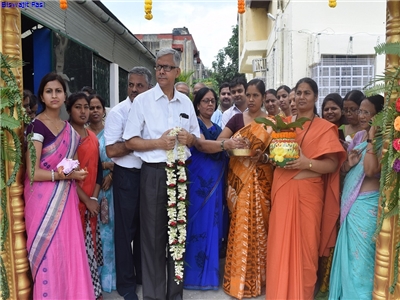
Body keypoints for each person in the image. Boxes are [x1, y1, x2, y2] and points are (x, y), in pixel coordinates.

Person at [123, 48, 200, 300]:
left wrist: (189, 139)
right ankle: (154, 297)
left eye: (166, 67)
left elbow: (195, 138)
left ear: (177, 72)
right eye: (158, 67)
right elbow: (130, 141)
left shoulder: (186, 102)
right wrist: (157, 143)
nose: (161, 71)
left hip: (180, 173)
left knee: (177, 238)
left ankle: (174, 295)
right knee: (152, 240)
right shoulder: (143, 101)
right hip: (154, 175)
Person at [266, 77, 346, 300]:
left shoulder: (324, 128)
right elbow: (276, 154)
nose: (301, 97)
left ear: (315, 97)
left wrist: (305, 163)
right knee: (279, 248)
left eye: (306, 93)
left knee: (306, 251)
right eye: (298, 93)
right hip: (283, 191)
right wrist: (275, 158)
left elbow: (332, 164)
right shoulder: (283, 124)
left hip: (308, 195)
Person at [24, 72, 94, 299]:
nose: (54, 95)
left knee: (68, 252)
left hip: (66, 201)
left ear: (65, 96)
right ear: (42, 97)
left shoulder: (70, 131)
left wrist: (76, 174)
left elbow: (70, 166)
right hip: (42, 202)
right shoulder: (36, 127)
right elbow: (32, 172)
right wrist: (62, 176)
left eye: (58, 91)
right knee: (49, 254)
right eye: (48, 91)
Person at [218, 78, 274, 299]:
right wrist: (232, 143)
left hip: (262, 181)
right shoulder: (236, 119)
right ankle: (238, 280)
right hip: (239, 182)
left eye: (255, 96)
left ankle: (260, 279)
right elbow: (221, 141)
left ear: (262, 97)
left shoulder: (271, 122)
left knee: (262, 228)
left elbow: (278, 154)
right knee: (240, 227)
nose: (250, 99)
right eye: (248, 95)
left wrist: (265, 157)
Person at [183, 87, 239, 290]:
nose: (209, 104)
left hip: (216, 185)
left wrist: (233, 144)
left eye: (212, 101)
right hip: (199, 185)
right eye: (205, 101)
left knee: (214, 227)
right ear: (197, 105)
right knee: (196, 225)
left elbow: (224, 148)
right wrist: (227, 144)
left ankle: (209, 277)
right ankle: (193, 276)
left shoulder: (217, 128)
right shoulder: (193, 125)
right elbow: (201, 146)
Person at [104, 66, 152, 300]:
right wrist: (136, 143)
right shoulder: (118, 112)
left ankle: (144, 276)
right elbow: (112, 150)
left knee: (148, 230)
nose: (134, 89)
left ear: (149, 87)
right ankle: (126, 285)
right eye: (130, 85)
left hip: (151, 175)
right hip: (127, 176)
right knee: (125, 232)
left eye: (139, 85)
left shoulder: (154, 111)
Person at [329, 95, 384, 299]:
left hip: (367, 207)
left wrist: (372, 137)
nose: (360, 115)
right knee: (349, 260)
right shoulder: (359, 137)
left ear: (378, 116)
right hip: (352, 206)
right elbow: (345, 169)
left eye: (366, 112)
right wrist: (349, 163)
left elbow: (370, 170)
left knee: (362, 261)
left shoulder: (384, 140)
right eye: (360, 111)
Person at [66, 92, 103, 300]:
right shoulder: (66, 135)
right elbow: (66, 175)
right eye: (78, 107)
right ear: (69, 109)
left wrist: (94, 199)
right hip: (73, 201)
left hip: (91, 202)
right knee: (76, 248)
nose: (83, 111)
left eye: (86, 107)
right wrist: (86, 200)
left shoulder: (93, 137)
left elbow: (98, 171)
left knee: (91, 246)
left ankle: (93, 290)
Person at [88, 94, 116, 293]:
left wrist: (111, 174)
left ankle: (109, 280)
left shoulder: (111, 133)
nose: (95, 111)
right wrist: (102, 166)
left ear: (104, 111)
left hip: (109, 188)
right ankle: (92, 279)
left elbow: (121, 158)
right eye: (91, 107)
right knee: (92, 232)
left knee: (110, 232)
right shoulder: (82, 134)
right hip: (89, 189)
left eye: (98, 107)